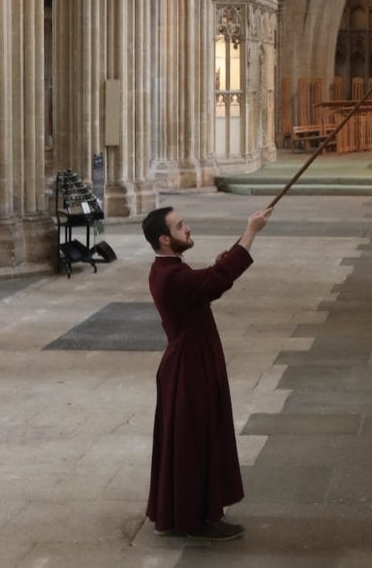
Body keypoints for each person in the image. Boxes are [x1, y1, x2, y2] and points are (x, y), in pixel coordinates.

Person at [141, 205, 273, 540]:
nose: (188, 229)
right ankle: (195, 520)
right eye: (180, 226)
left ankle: (181, 513)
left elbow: (208, 284)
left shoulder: (166, 270)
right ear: (164, 239)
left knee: (189, 440)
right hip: (189, 368)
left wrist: (223, 260)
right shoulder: (173, 276)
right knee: (195, 441)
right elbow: (215, 280)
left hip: (188, 362)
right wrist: (251, 231)